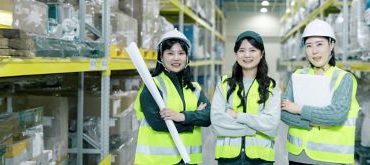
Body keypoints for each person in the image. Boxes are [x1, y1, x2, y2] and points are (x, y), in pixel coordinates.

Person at [281, 19, 360, 165]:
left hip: (331, 159)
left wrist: (299, 109)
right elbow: (284, 113)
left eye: (319, 44)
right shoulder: (298, 75)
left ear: (331, 45)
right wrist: (317, 122)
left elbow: (335, 116)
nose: (314, 51)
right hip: (297, 156)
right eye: (309, 45)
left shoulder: (343, 78)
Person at [133, 29, 211, 165]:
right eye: (170, 53)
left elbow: (209, 116)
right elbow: (157, 123)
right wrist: (194, 119)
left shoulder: (195, 88)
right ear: (161, 57)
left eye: (181, 53)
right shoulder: (153, 86)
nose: (176, 58)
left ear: (187, 57)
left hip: (189, 160)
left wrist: (182, 117)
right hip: (158, 161)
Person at [211, 31, 281, 165]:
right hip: (228, 159)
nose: (247, 55)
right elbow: (216, 122)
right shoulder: (224, 84)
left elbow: (272, 125)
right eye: (242, 50)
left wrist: (237, 116)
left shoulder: (271, 86)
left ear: (261, 54)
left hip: (261, 159)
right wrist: (255, 127)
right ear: (236, 54)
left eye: (252, 50)